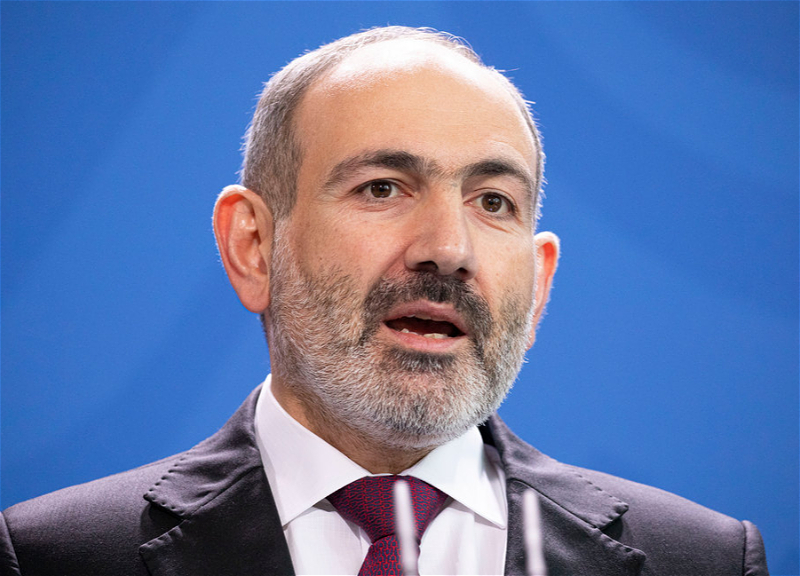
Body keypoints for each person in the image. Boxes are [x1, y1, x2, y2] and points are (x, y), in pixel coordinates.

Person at [0, 26, 768, 576]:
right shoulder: (51, 557)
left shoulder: (702, 560)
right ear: (253, 246)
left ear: (539, 285)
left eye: (493, 201)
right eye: (382, 188)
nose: (449, 248)